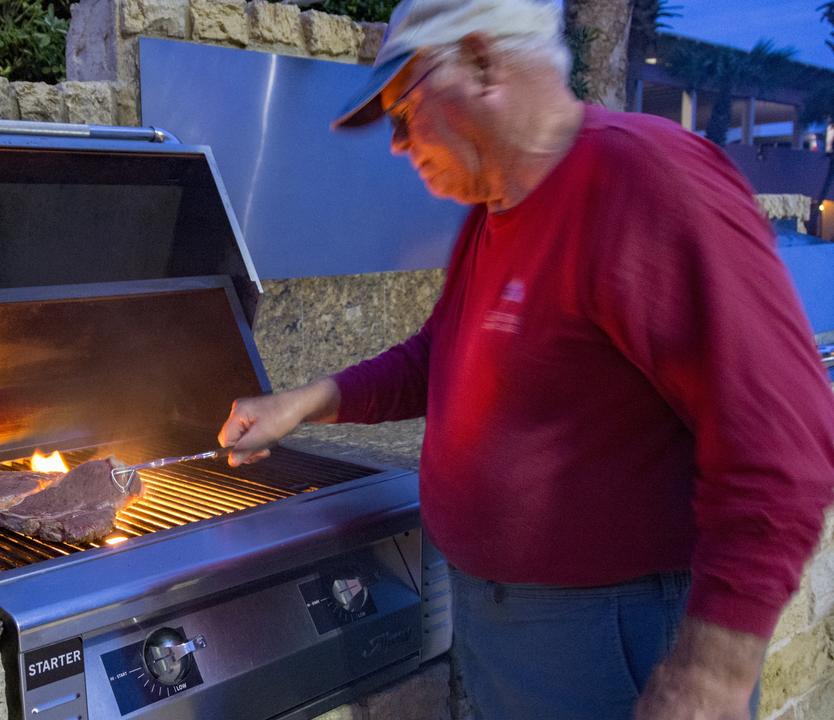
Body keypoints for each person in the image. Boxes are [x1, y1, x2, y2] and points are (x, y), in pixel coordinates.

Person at [216, 0, 834, 718]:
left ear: (481, 63)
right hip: (507, 631)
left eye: (403, 112)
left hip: (619, 641)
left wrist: (713, 673)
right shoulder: (495, 209)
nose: (395, 143)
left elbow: (784, 443)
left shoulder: (642, 180)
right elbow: (436, 356)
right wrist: (302, 402)